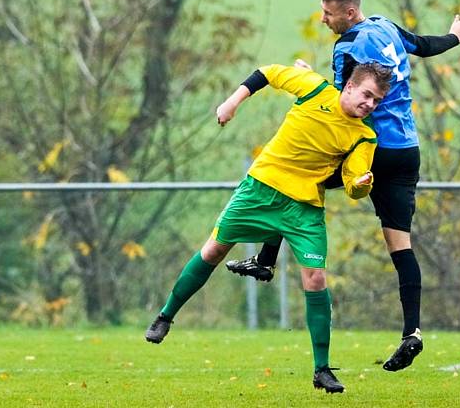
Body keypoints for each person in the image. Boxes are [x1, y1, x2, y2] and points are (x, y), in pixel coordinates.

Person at [225, 0, 460, 372]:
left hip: (368, 147)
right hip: (407, 150)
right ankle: (413, 331)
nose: (323, 19)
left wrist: (307, 76)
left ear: (349, 12)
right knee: (401, 246)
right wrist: (455, 36)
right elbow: (424, 46)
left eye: (328, 13)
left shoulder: (347, 46)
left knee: (294, 178)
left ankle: (266, 261)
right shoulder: (385, 25)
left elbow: (347, 104)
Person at [145, 62, 392, 394]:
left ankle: (321, 370)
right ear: (349, 86)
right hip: (262, 187)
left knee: (316, 278)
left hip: (303, 207)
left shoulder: (365, 136)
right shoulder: (315, 88)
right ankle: (165, 316)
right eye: (366, 95)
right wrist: (232, 102)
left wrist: (362, 184)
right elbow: (269, 73)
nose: (370, 104)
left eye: (376, 100)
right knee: (215, 250)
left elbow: (352, 184)